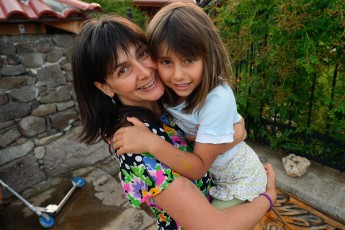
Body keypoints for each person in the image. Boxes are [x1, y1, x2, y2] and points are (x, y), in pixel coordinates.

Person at [72, 14, 277, 229]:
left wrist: (237, 132)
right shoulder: (136, 145)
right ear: (105, 87)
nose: (144, 72)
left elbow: (220, 128)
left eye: (142, 54)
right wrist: (268, 198)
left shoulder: (166, 100)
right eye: (123, 70)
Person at [113, 2, 267, 209]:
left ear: (208, 56)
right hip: (216, 179)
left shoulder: (216, 99)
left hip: (240, 180)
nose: (178, 75)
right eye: (166, 61)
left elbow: (198, 169)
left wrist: (150, 143)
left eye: (189, 60)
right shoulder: (166, 91)